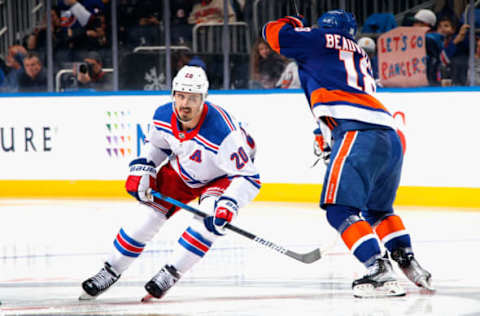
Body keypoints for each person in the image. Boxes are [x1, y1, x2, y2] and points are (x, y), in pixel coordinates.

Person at [262, 10, 433, 298]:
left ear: (324, 28)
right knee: (378, 211)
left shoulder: (317, 40)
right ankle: (408, 262)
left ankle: (377, 268)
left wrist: (294, 22)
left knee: (340, 210)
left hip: (358, 132)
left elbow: (271, 32)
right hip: (388, 135)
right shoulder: (358, 52)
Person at [79, 65, 260, 301]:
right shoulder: (163, 115)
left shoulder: (222, 133)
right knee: (144, 220)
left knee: (206, 221)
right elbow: (157, 146)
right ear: (173, 94)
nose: (185, 103)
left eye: (193, 98)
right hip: (183, 171)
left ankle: (171, 273)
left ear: (203, 99)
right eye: (181, 96)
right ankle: (110, 270)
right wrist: (144, 167)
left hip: (221, 177)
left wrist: (229, 204)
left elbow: (248, 176)